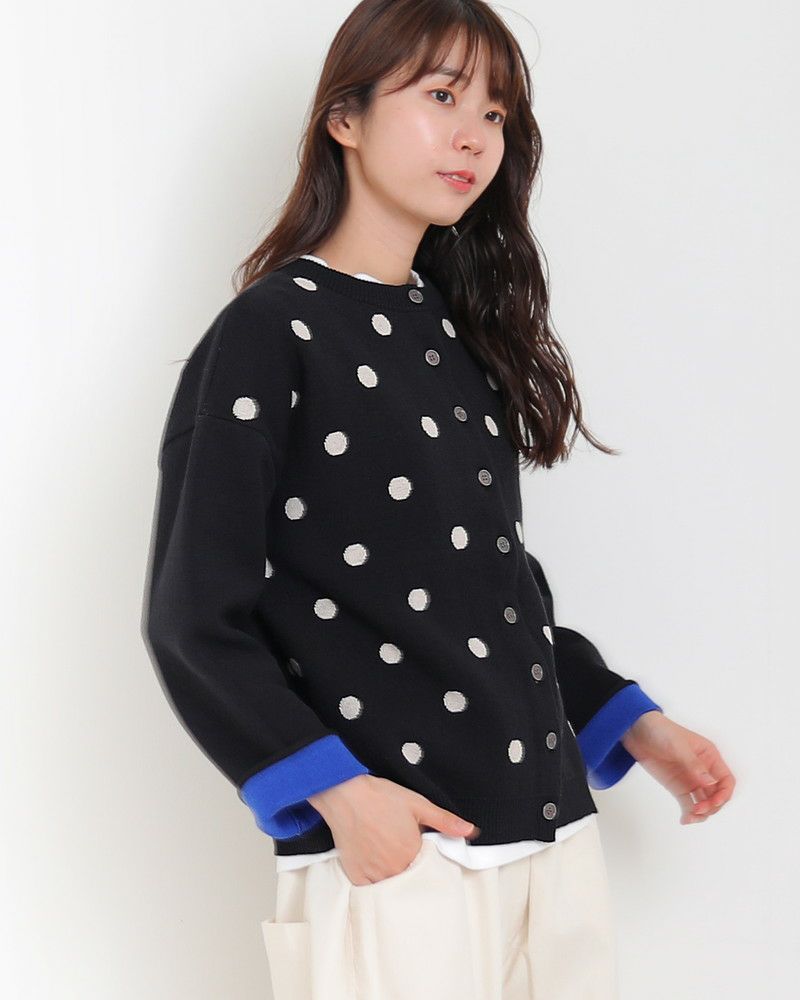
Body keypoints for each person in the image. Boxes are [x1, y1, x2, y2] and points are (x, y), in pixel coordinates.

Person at [144, 2, 735, 997]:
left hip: (551, 840)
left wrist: (627, 720)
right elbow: (193, 615)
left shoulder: (453, 338)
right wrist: (339, 794)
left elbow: (488, 592)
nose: (474, 136)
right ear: (344, 117)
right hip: (404, 857)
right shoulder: (269, 335)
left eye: (495, 113)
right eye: (442, 96)